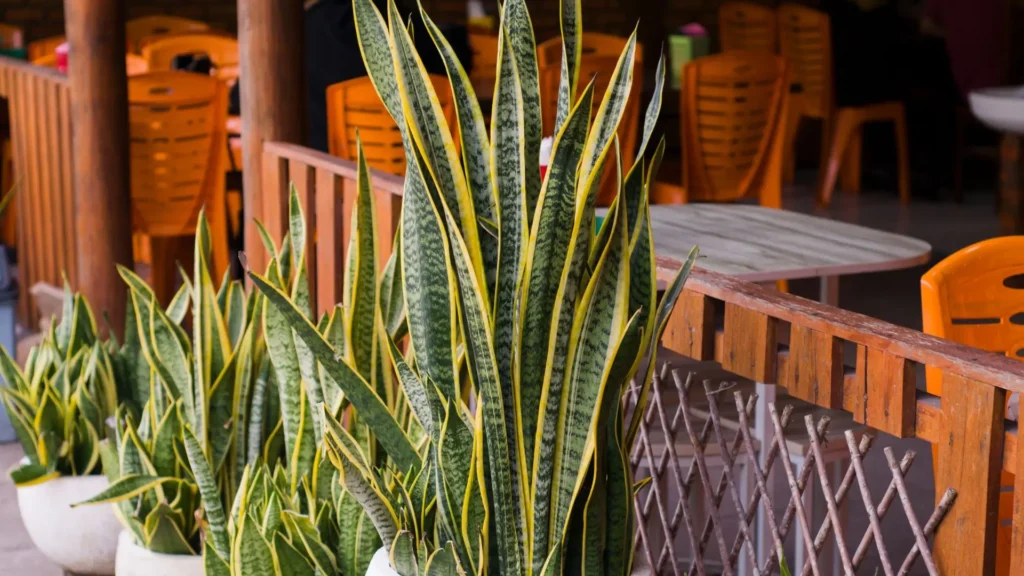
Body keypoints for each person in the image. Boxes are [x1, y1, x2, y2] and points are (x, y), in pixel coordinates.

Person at [304, 0, 472, 153]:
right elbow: (456, 69)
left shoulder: (299, 34)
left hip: (329, 173)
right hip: (414, 175)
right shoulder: (406, 21)